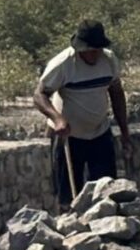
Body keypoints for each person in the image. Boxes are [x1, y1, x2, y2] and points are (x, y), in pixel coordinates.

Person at [34, 20, 130, 211]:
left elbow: (116, 94)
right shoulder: (63, 64)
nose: (94, 54)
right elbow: (39, 95)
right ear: (79, 48)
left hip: (99, 131)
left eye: (97, 49)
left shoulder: (108, 60)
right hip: (69, 136)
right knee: (69, 194)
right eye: (90, 50)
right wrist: (57, 119)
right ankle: (70, 229)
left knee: (106, 191)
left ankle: (105, 231)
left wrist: (124, 132)